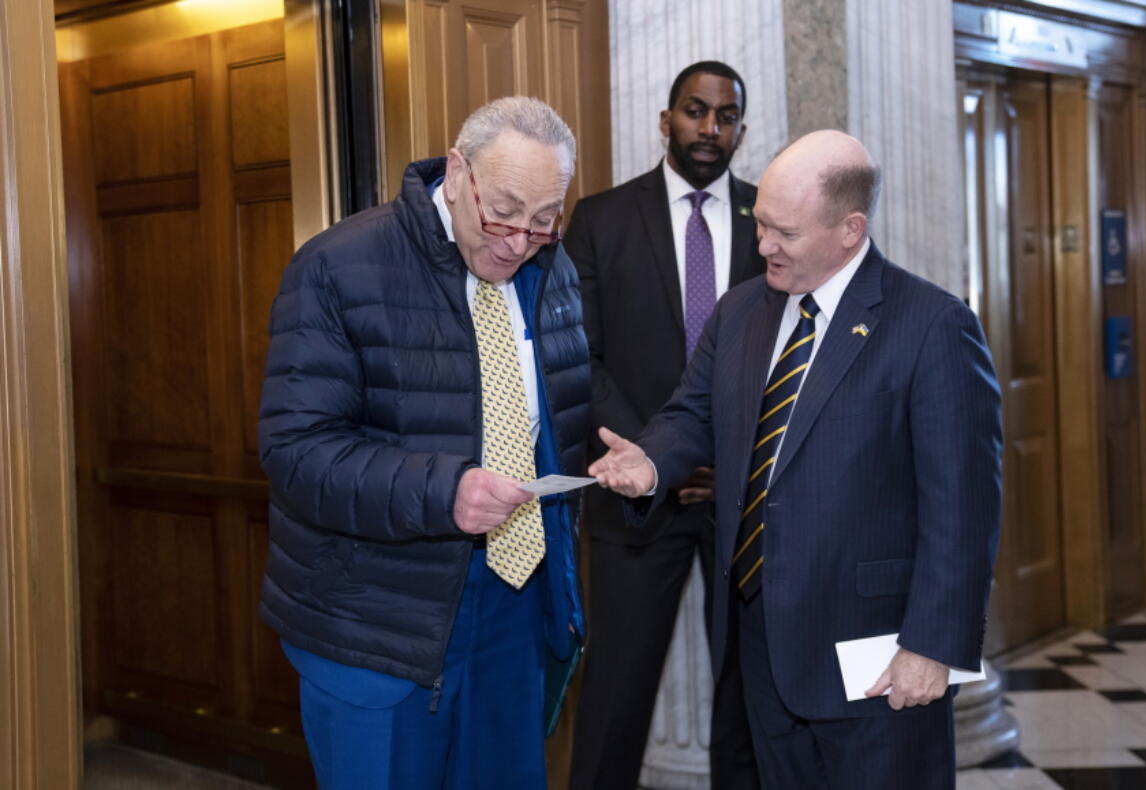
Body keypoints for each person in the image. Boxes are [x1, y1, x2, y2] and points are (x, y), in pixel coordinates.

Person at [588, 130, 1003, 789]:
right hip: (760, 642)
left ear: (849, 228)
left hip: (878, 650)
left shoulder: (931, 326)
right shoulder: (743, 310)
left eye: (785, 232)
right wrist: (652, 462)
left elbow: (965, 509)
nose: (763, 246)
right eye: (761, 226)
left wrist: (933, 646)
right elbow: (692, 412)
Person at [257, 96, 590, 790]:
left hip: (514, 606)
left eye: (543, 221)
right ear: (459, 168)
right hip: (376, 622)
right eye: (501, 211)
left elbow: (550, 418)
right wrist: (446, 491)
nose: (516, 242)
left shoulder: (554, 271)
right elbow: (297, 452)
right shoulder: (337, 267)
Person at [565, 60, 762, 790]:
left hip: (740, 501)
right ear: (666, 120)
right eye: (695, 110)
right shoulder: (603, 218)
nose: (711, 128)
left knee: (748, 696)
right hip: (632, 498)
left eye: (726, 115)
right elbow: (579, 357)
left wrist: (727, 456)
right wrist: (660, 456)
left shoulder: (766, 221)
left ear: (741, 126)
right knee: (616, 698)